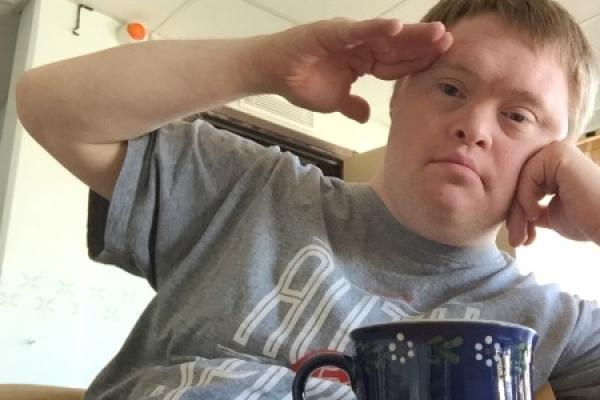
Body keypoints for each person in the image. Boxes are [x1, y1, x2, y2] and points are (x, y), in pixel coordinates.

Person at [14, 0, 600, 398]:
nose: (474, 126)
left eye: (518, 116)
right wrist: (261, 63)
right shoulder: (250, 190)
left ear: (559, 155)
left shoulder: (555, 322)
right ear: (398, 97)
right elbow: (48, 105)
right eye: (450, 87)